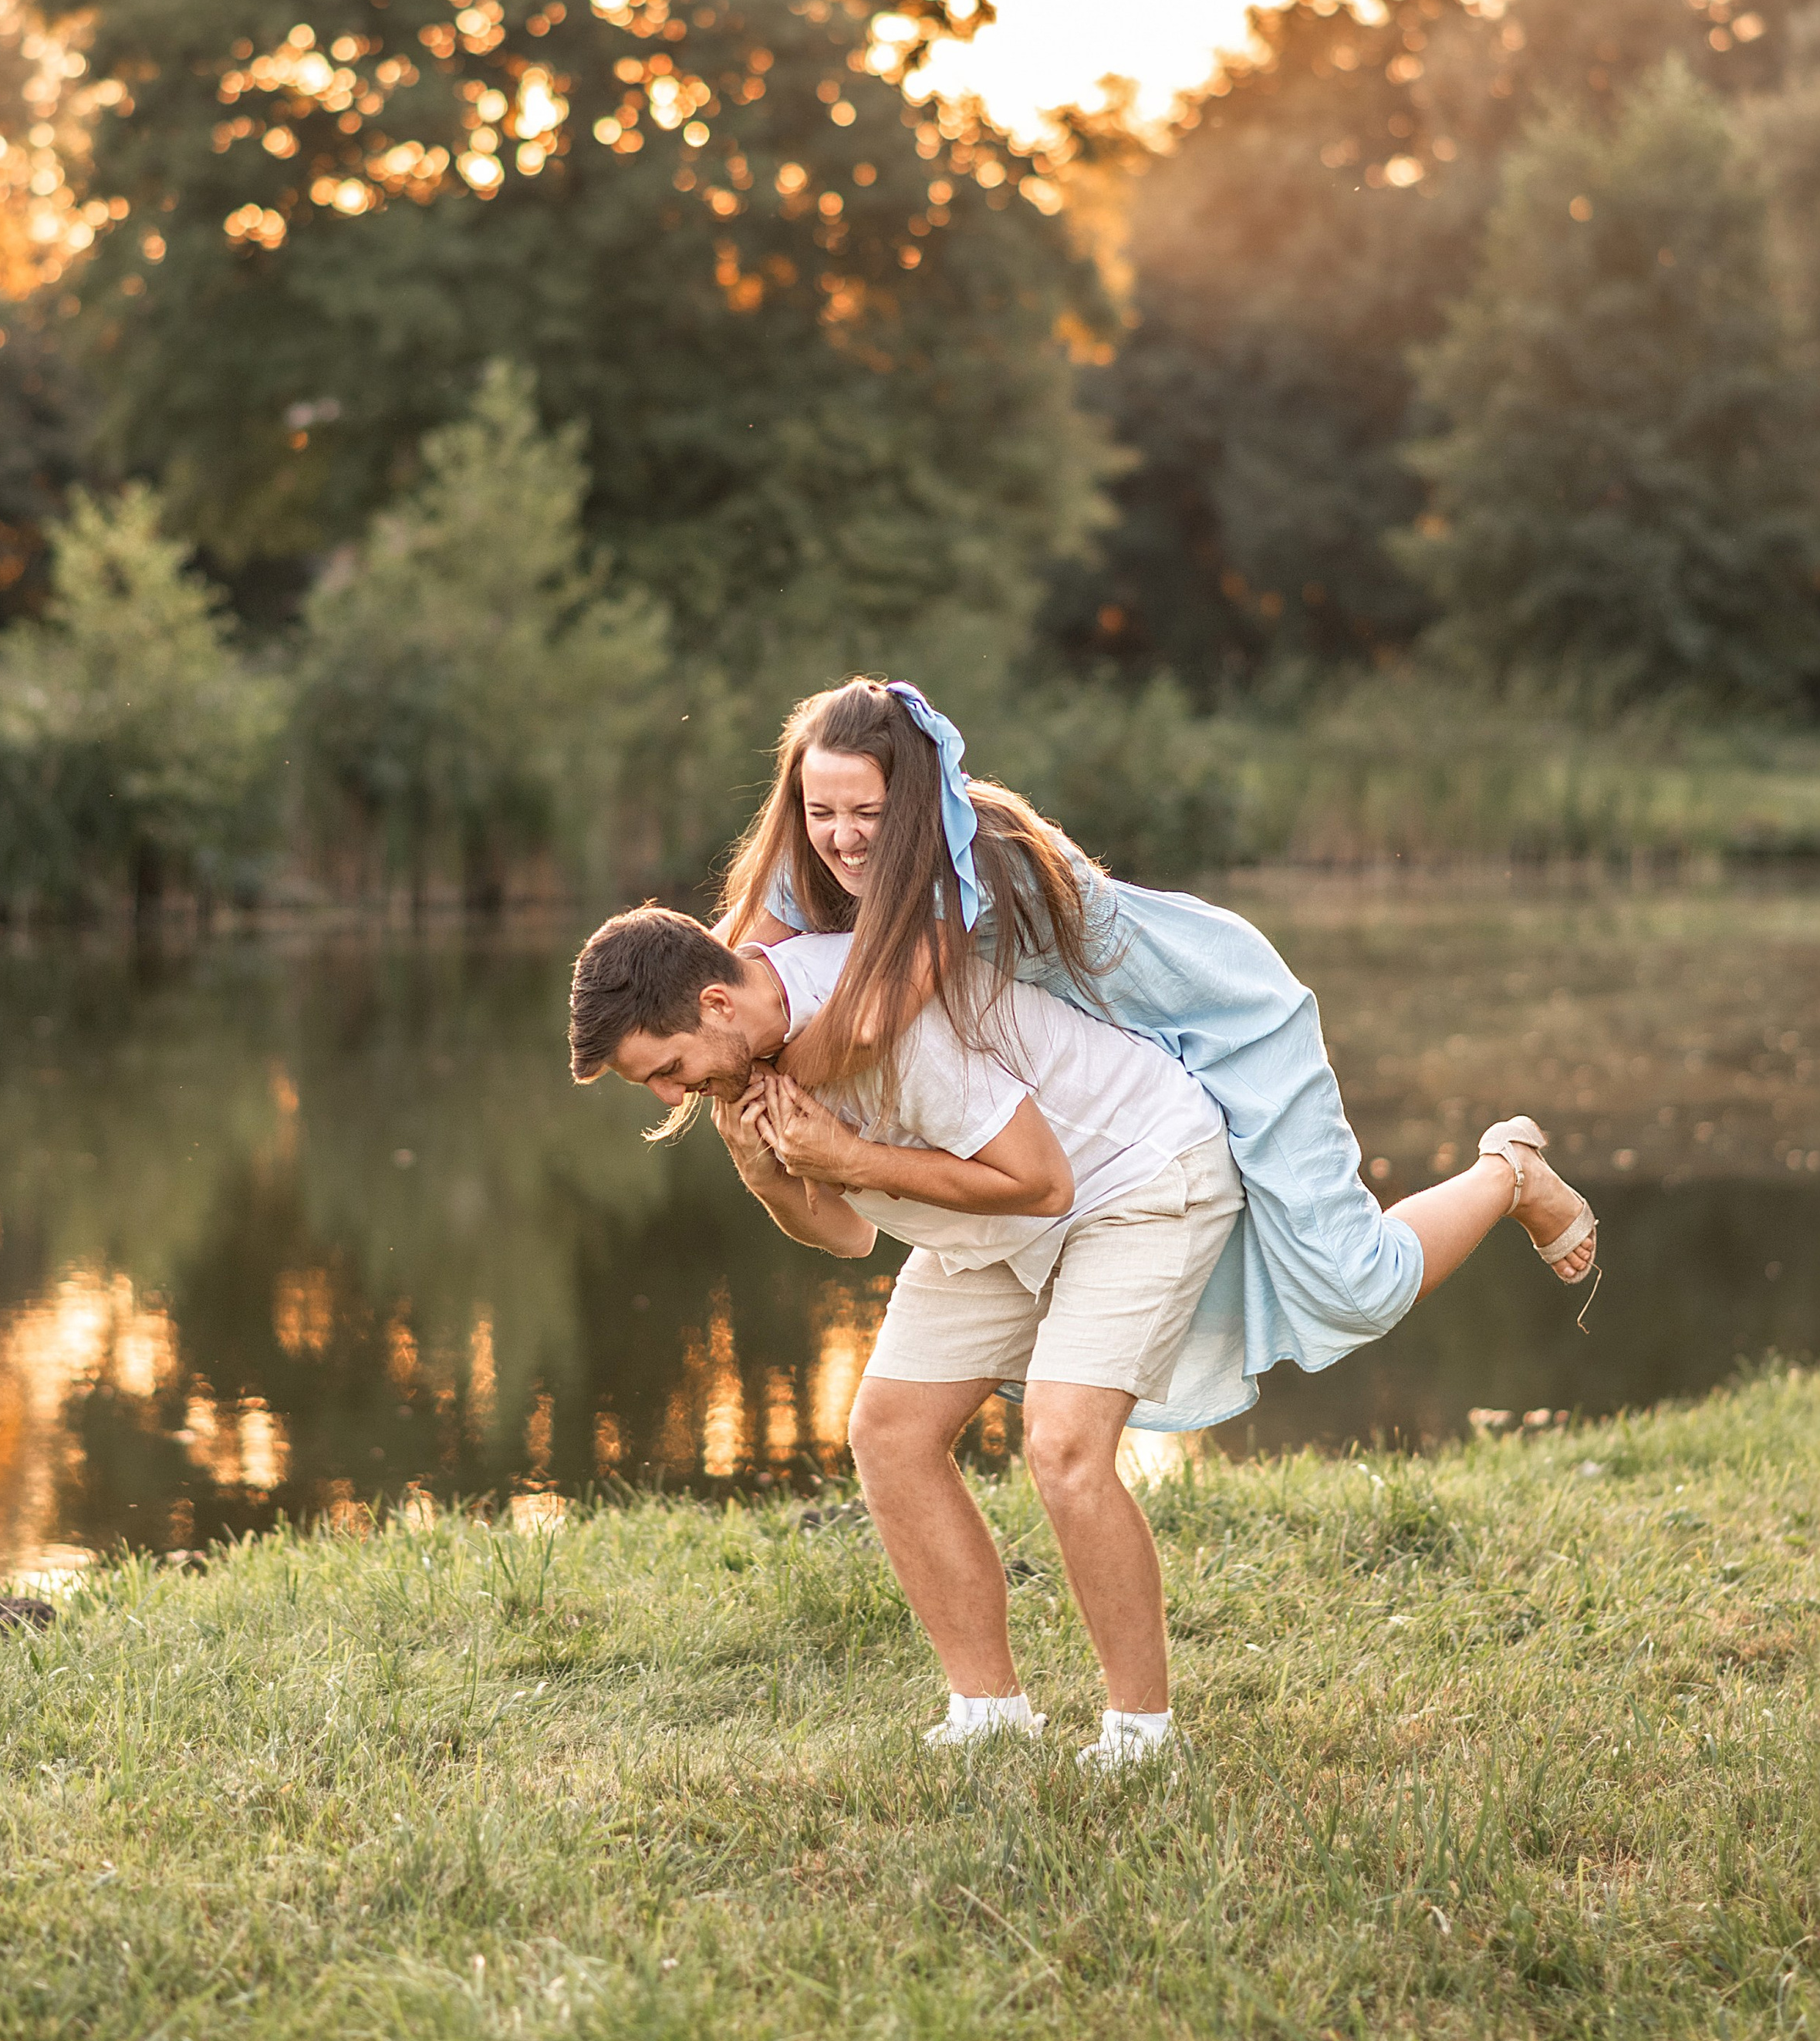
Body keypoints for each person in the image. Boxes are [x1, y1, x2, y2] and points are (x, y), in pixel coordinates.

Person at [715, 677, 1599, 1446]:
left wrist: (753, 1072)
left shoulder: (971, 861)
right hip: (1120, 1081)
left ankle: (1507, 1172)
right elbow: (713, 992)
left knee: (1353, 1286)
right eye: (820, 811)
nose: (841, 838)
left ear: (911, 803)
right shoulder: (815, 858)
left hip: (1219, 1019)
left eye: (867, 813)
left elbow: (864, 1028)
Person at [567, 902, 1246, 1767]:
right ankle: (987, 1710)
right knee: (888, 1432)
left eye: (667, 1069)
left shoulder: (883, 1018)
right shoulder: (740, 1061)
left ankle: (1142, 1735)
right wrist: (761, 1170)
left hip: (1133, 1178)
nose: (670, 1095)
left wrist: (851, 1159)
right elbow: (846, 1234)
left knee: (1064, 1442)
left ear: (714, 1003)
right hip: (993, 1221)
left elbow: (1039, 1181)